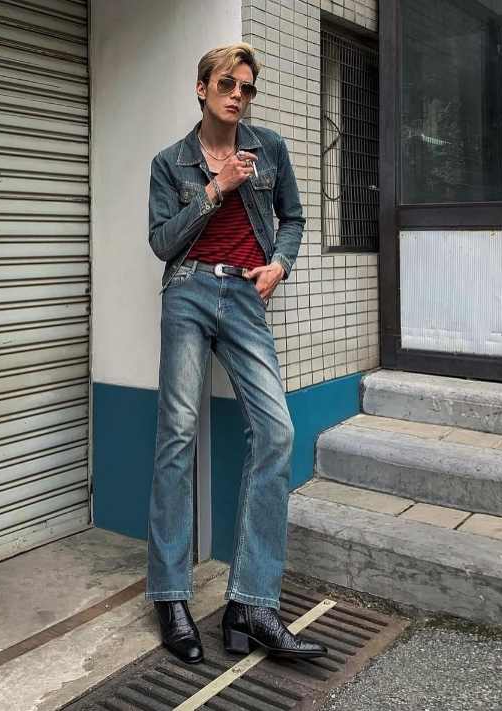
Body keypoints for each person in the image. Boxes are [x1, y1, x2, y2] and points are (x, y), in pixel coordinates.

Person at [145, 42, 327, 664]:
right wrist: (216, 188)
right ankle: (170, 594)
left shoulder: (269, 148)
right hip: (189, 290)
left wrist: (279, 263)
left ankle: (251, 601)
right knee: (177, 433)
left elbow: (295, 218)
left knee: (276, 431)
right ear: (202, 88)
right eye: (228, 83)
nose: (238, 95)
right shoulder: (170, 162)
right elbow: (163, 243)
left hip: (247, 296)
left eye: (247, 88)